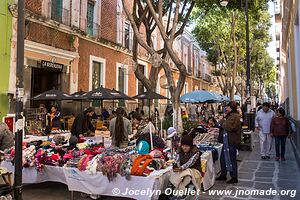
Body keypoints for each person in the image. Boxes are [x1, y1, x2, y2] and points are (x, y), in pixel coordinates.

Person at [217, 101, 242, 184]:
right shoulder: (230, 115)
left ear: (231, 108)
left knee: (231, 159)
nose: (226, 108)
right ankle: (223, 174)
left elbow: (229, 127)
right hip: (226, 141)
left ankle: (234, 177)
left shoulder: (235, 116)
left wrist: (222, 121)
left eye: (227, 107)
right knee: (223, 158)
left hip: (231, 141)